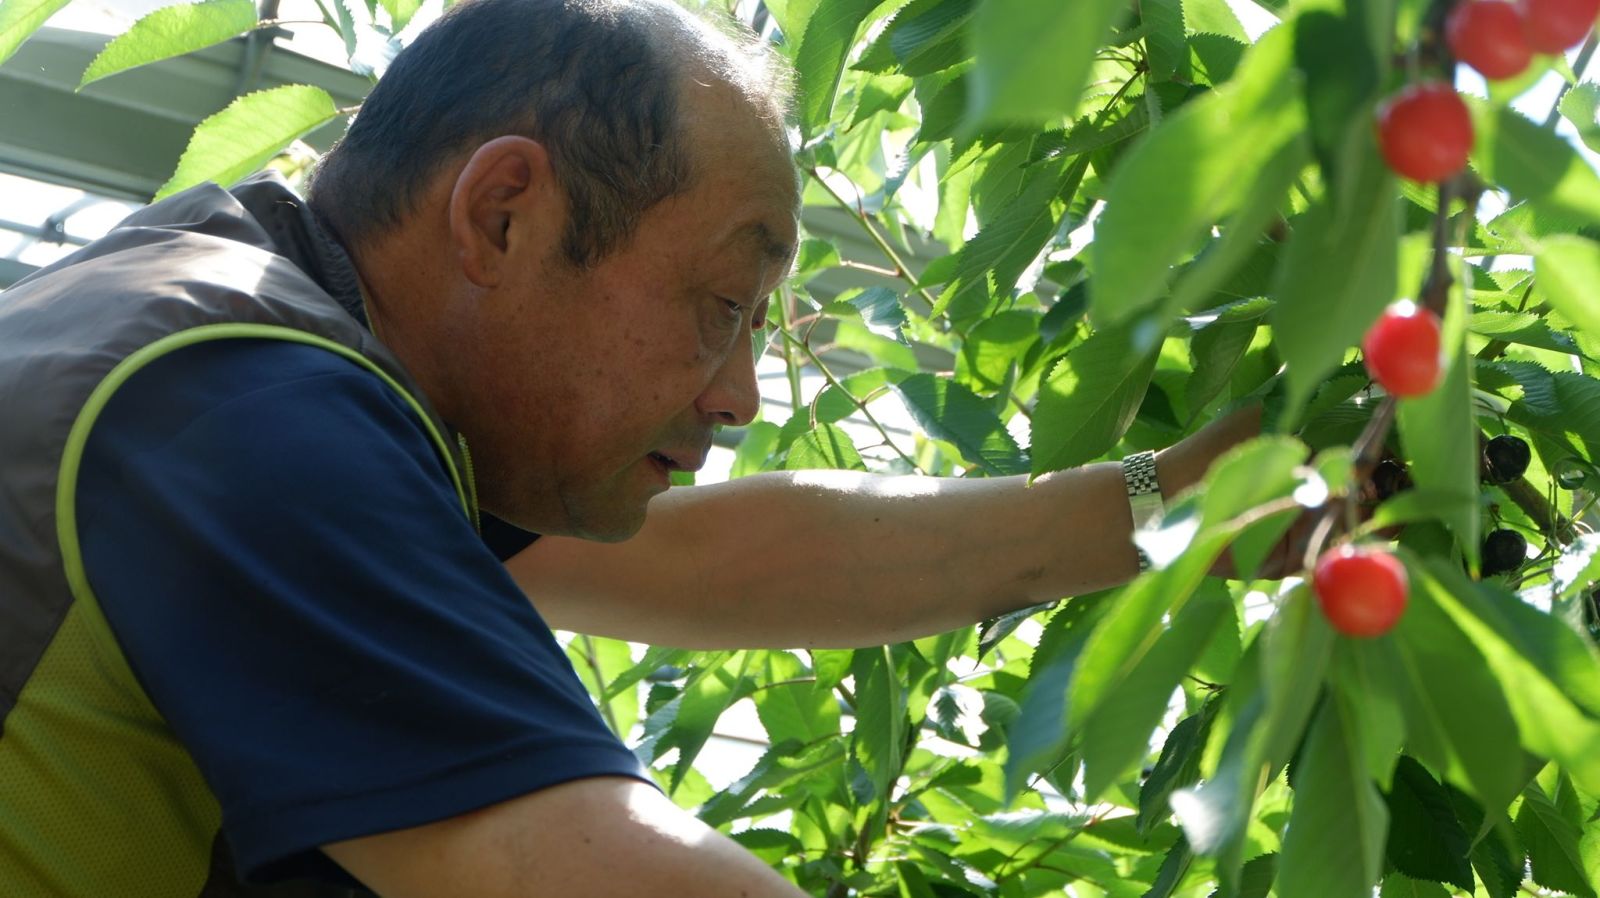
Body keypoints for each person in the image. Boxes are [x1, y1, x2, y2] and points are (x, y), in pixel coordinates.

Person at [0, 0, 1261, 894]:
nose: (743, 396)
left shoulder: (195, 315)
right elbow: (579, 872)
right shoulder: (254, 411)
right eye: (721, 309)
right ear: (502, 215)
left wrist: (1178, 499)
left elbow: (723, 559)